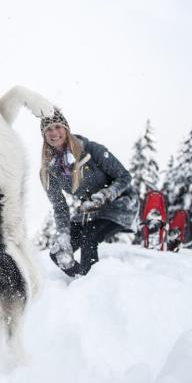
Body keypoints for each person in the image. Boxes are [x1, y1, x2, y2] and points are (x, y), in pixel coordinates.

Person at [40, 108, 136, 277]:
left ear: (66, 129)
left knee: (88, 237)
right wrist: (63, 235)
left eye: (58, 127)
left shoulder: (91, 150)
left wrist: (106, 194)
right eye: (48, 129)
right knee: (58, 252)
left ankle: (93, 286)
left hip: (120, 203)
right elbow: (60, 207)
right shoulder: (50, 170)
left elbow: (124, 177)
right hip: (91, 211)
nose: (54, 133)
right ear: (43, 135)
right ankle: (82, 279)